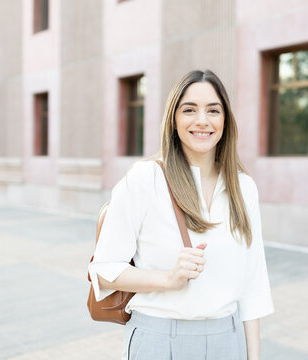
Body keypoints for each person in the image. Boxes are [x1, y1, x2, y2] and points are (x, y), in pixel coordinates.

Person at [88, 70, 274, 360]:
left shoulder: (243, 188)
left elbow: (253, 286)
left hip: (228, 341)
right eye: (189, 109)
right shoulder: (146, 179)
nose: (202, 120)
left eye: (213, 110)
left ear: (225, 120)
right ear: (174, 120)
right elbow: (104, 269)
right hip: (158, 340)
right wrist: (168, 279)